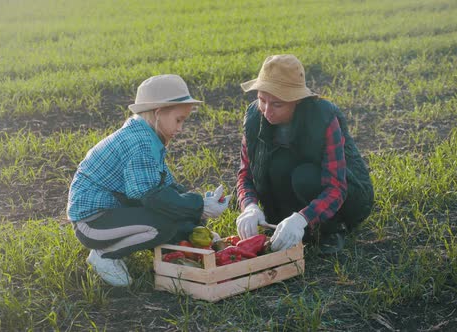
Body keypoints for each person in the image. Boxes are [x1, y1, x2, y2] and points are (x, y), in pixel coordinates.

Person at [67, 74, 231, 286]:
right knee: (162, 225)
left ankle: (187, 238)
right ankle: (104, 255)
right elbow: (152, 198)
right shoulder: (140, 144)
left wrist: (196, 210)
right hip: (93, 222)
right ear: (158, 113)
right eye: (178, 120)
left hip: (116, 211)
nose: (180, 128)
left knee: (180, 214)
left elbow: (166, 187)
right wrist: (199, 206)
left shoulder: (147, 136)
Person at [235, 54, 374, 254]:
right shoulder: (254, 119)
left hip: (346, 195)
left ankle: (332, 230)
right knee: (272, 166)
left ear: (297, 101)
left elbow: (336, 188)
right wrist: (249, 206)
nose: (266, 111)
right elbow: (246, 174)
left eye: (277, 104)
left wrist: (302, 218)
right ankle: (287, 223)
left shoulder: (323, 118)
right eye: (261, 100)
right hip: (293, 192)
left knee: (305, 177)